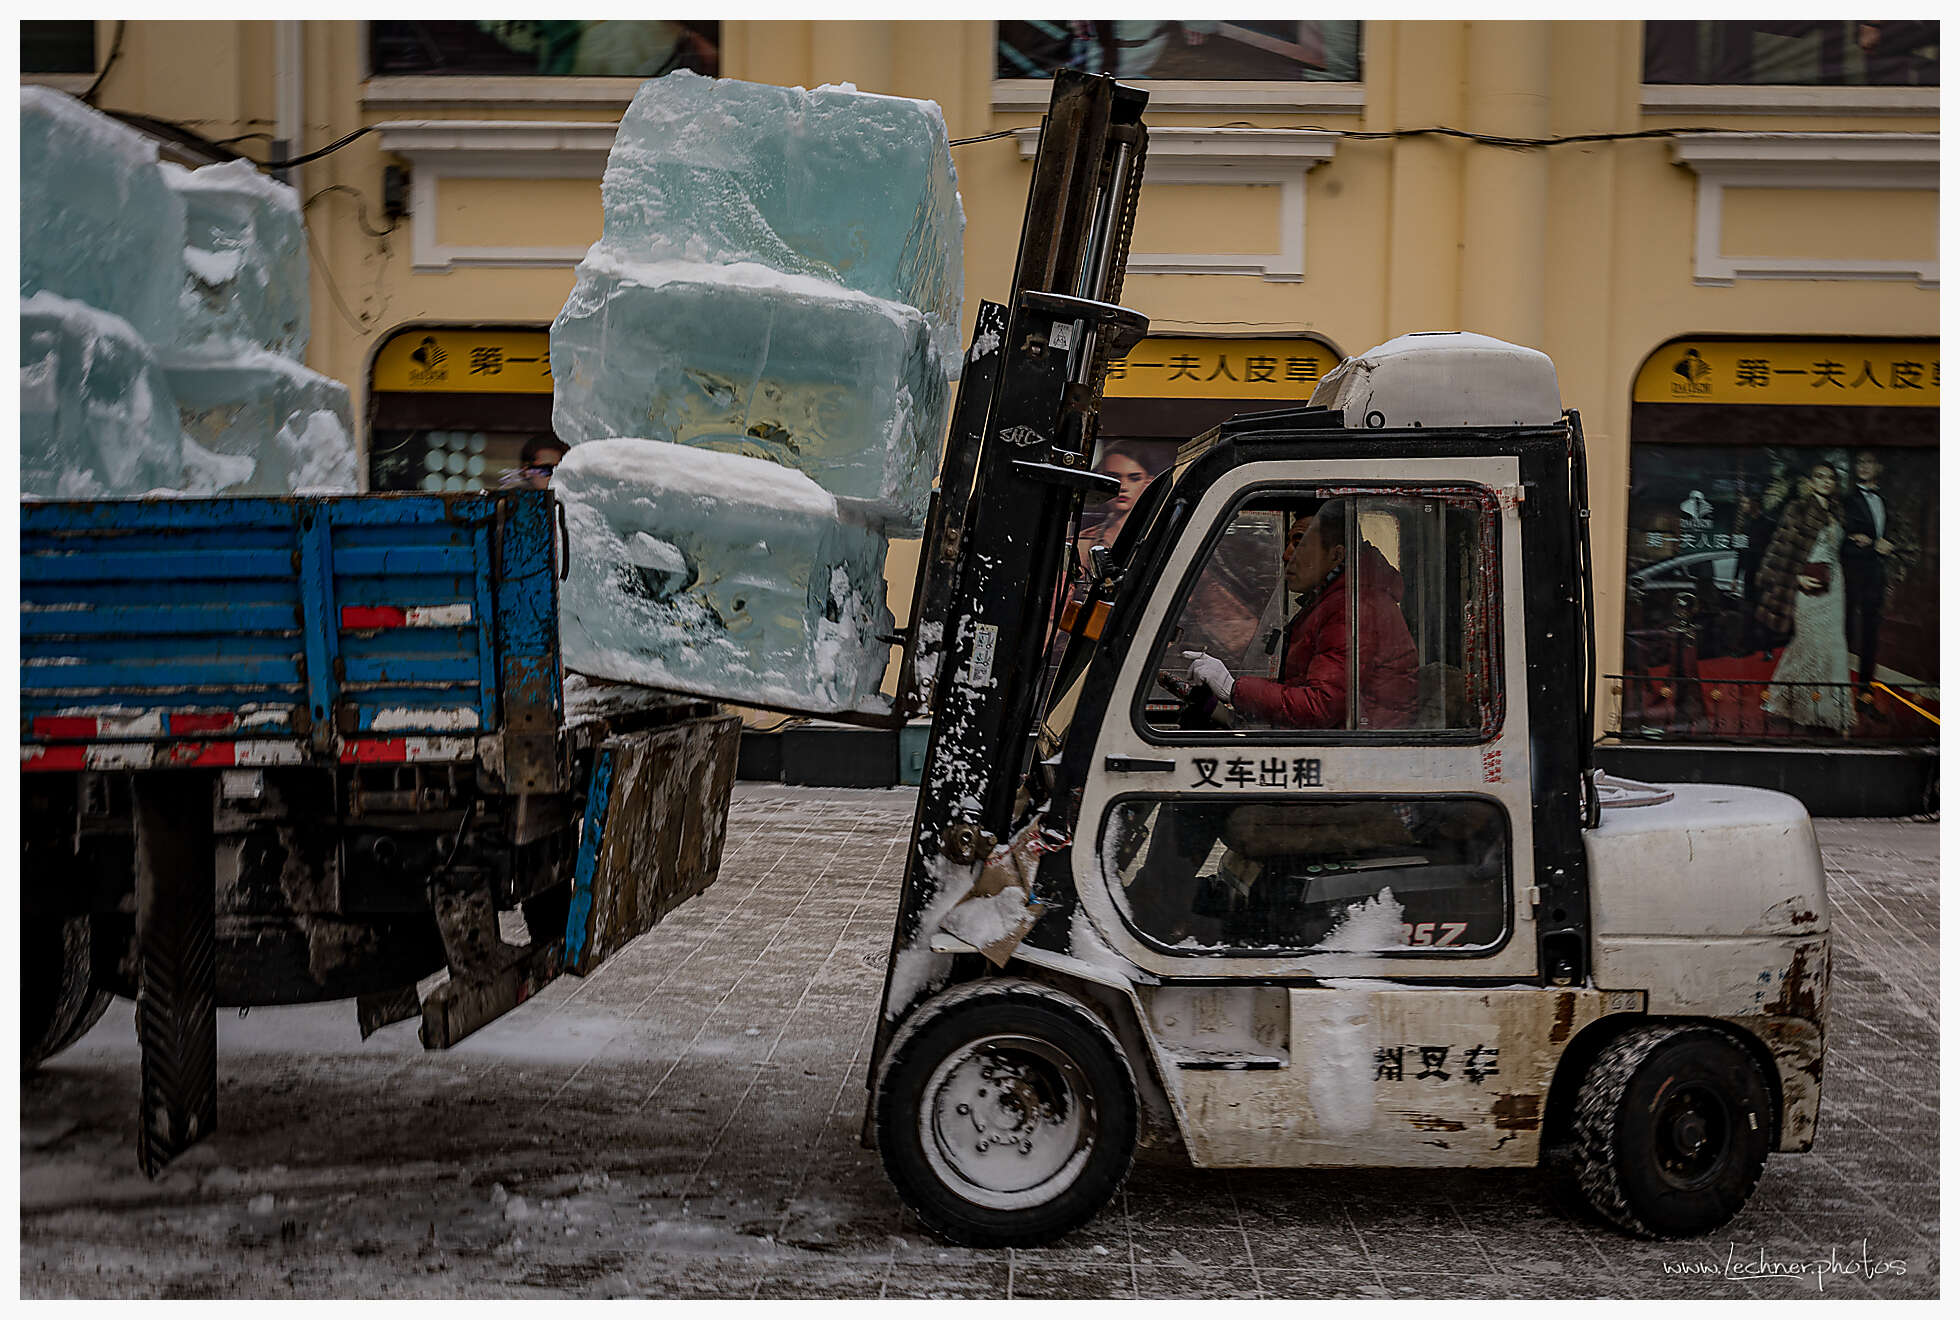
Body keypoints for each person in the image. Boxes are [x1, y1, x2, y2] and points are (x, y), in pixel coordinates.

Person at [1184, 499, 1419, 729]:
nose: (1286, 555)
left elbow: (1322, 706)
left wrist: (1232, 688)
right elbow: (1304, 690)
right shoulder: (1334, 603)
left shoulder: (1356, 609)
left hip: (1357, 756)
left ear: (1336, 555)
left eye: (1298, 542)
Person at [1755, 461, 1854, 732]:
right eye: (1819, 477)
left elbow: (1838, 549)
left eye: (1830, 478)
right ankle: (1793, 703)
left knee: (1833, 643)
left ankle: (1831, 709)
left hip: (1835, 585)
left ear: (1834, 484)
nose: (1825, 482)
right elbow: (1779, 550)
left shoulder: (1838, 512)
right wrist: (1796, 577)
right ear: (1811, 481)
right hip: (1806, 584)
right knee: (1808, 642)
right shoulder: (1797, 509)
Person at [1839, 449, 1893, 699]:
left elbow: (1891, 536)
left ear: (1878, 467)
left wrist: (1888, 544)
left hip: (1876, 576)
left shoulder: (1885, 500)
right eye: (1859, 461)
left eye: (1869, 461)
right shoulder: (1847, 500)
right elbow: (1843, 543)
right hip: (1851, 575)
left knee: (1871, 634)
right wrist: (1874, 544)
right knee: (1846, 632)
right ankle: (1840, 695)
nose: (1863, 465)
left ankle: (1864, 693)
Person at [1074, 441, 1166, 574]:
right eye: (1114, 478)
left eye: (1134, 478)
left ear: (1148, 483)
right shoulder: (1080, 541)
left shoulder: (1160, 537)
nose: (1123, 487)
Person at [502, 437, 567, 491]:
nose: (555, 476)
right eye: (548, 470)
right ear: (526, 471)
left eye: (560, 470)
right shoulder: (513, 500)